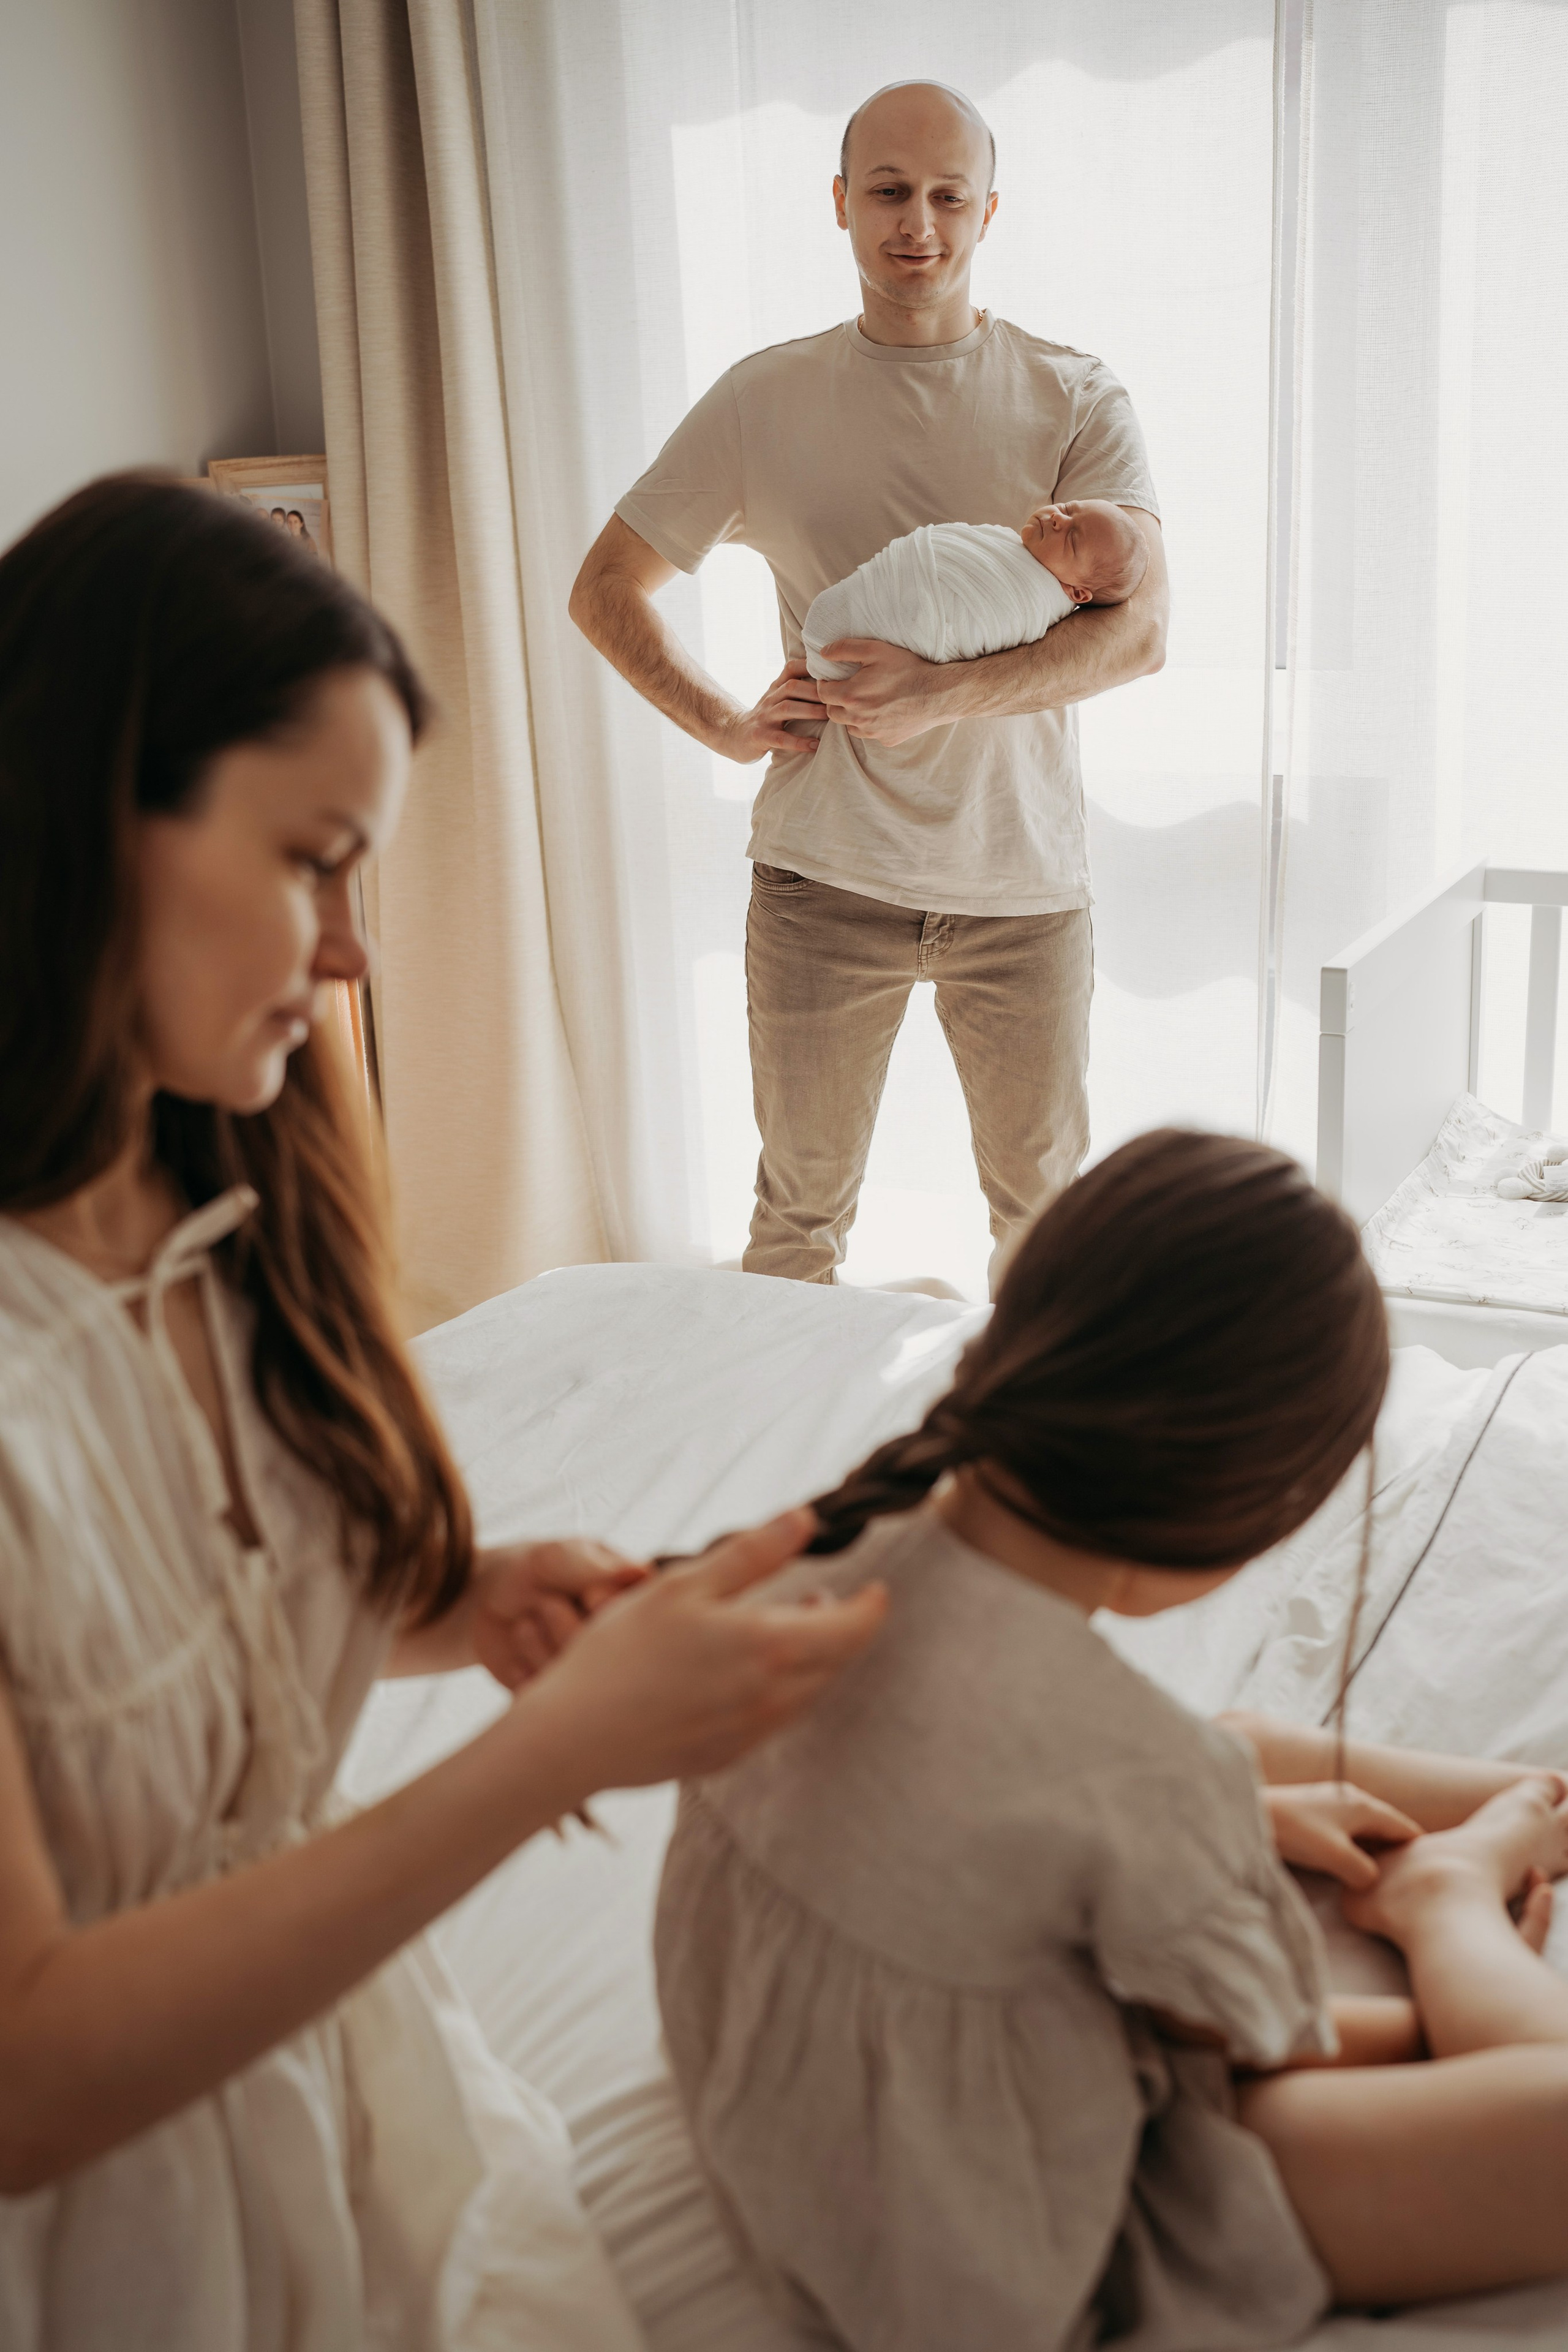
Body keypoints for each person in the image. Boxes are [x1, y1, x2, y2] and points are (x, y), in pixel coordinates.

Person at [0, 474, 889, 2351]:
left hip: (330, 2106)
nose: (352, 956)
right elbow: (28, 2069)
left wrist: (466, 1602)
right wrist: (546, 1749)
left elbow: (166, 1637)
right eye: (313, 859)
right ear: (91, 818)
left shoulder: (221, 1219)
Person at [655, 1131, 1568, 2350]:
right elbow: (1258, 2040)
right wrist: (1442, 1967)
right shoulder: (1137, 1775)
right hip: (1010, 2239)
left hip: (796, 2143)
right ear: (1238, 1514)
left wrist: (1220, 1812)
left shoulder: (809, 1563)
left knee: (1227, 1751)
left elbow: (989, 1819)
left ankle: (1522, 1799)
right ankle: (1453, 1885)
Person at [570, 81, 1168, 1291]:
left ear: (988, 212)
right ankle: (785, 1472)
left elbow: (1138, 635)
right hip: (819, 882)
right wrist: (726, 726)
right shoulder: (762, 397)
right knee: (793, 1234)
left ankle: (1030, 1475)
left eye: (949, 196)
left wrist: (938, 695)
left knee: (1044, 1241)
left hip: (1022, 887)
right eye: (889, 192)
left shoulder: (1075, 394)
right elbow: (606, 587)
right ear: (841, 206)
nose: (919, 224)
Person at [802, 497, 1148, 681]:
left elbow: (967, 634)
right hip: (830, 642)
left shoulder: (1028, 608)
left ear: (1078, 594)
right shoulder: (1008, 547)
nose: (1059, 519)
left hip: (851, 660)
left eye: (1072, 538)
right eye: (1070, 508)